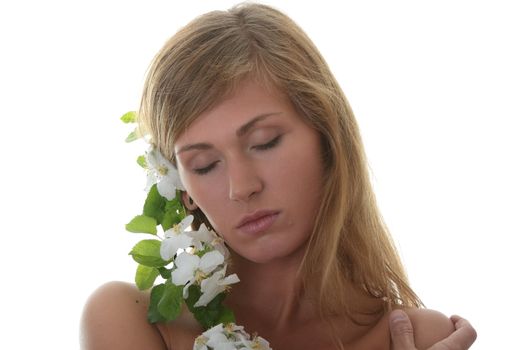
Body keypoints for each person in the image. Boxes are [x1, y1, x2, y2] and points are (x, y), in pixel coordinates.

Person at [80, 3, 477, 349]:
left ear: (327, 138)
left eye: (265, 142)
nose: (243, 187)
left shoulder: (415, 336)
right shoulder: (132, 319)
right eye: (204, 165)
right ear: (185, 189)